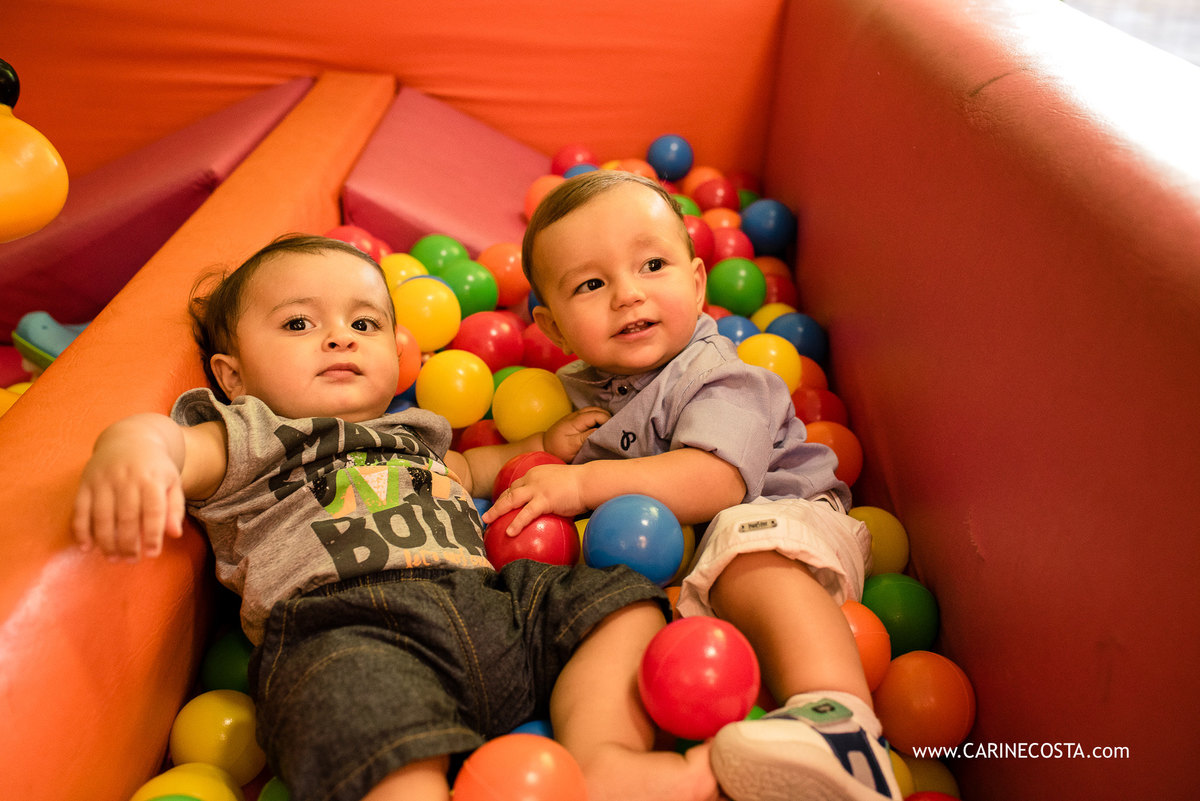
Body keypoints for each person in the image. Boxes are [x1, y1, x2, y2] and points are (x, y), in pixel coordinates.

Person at [71, 234, 722, 801]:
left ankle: (603, 757)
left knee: (614, 600)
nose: (338, 336)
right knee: (348, 700)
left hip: (491, 606)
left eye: (365, 323)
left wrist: (541, 449)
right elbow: (174, 444)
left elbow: (471, 470)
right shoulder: (251, 431)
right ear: (232, 375)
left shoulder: (414, 431)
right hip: (350, 626)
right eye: (298, 324)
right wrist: (132, 448)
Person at [482, 171, 903, 801]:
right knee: (606, 614)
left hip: (782, 525)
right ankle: (612, 765)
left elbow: (717, 481)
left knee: (742, 544)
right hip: (681, 575)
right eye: (592, 284)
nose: (628, 294)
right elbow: (516, 464)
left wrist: (580, 484)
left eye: (652, 264)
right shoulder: (577, 395)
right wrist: (449, 471)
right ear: (555, 328)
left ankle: (838, 725)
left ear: (699, 282)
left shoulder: (721, 377)